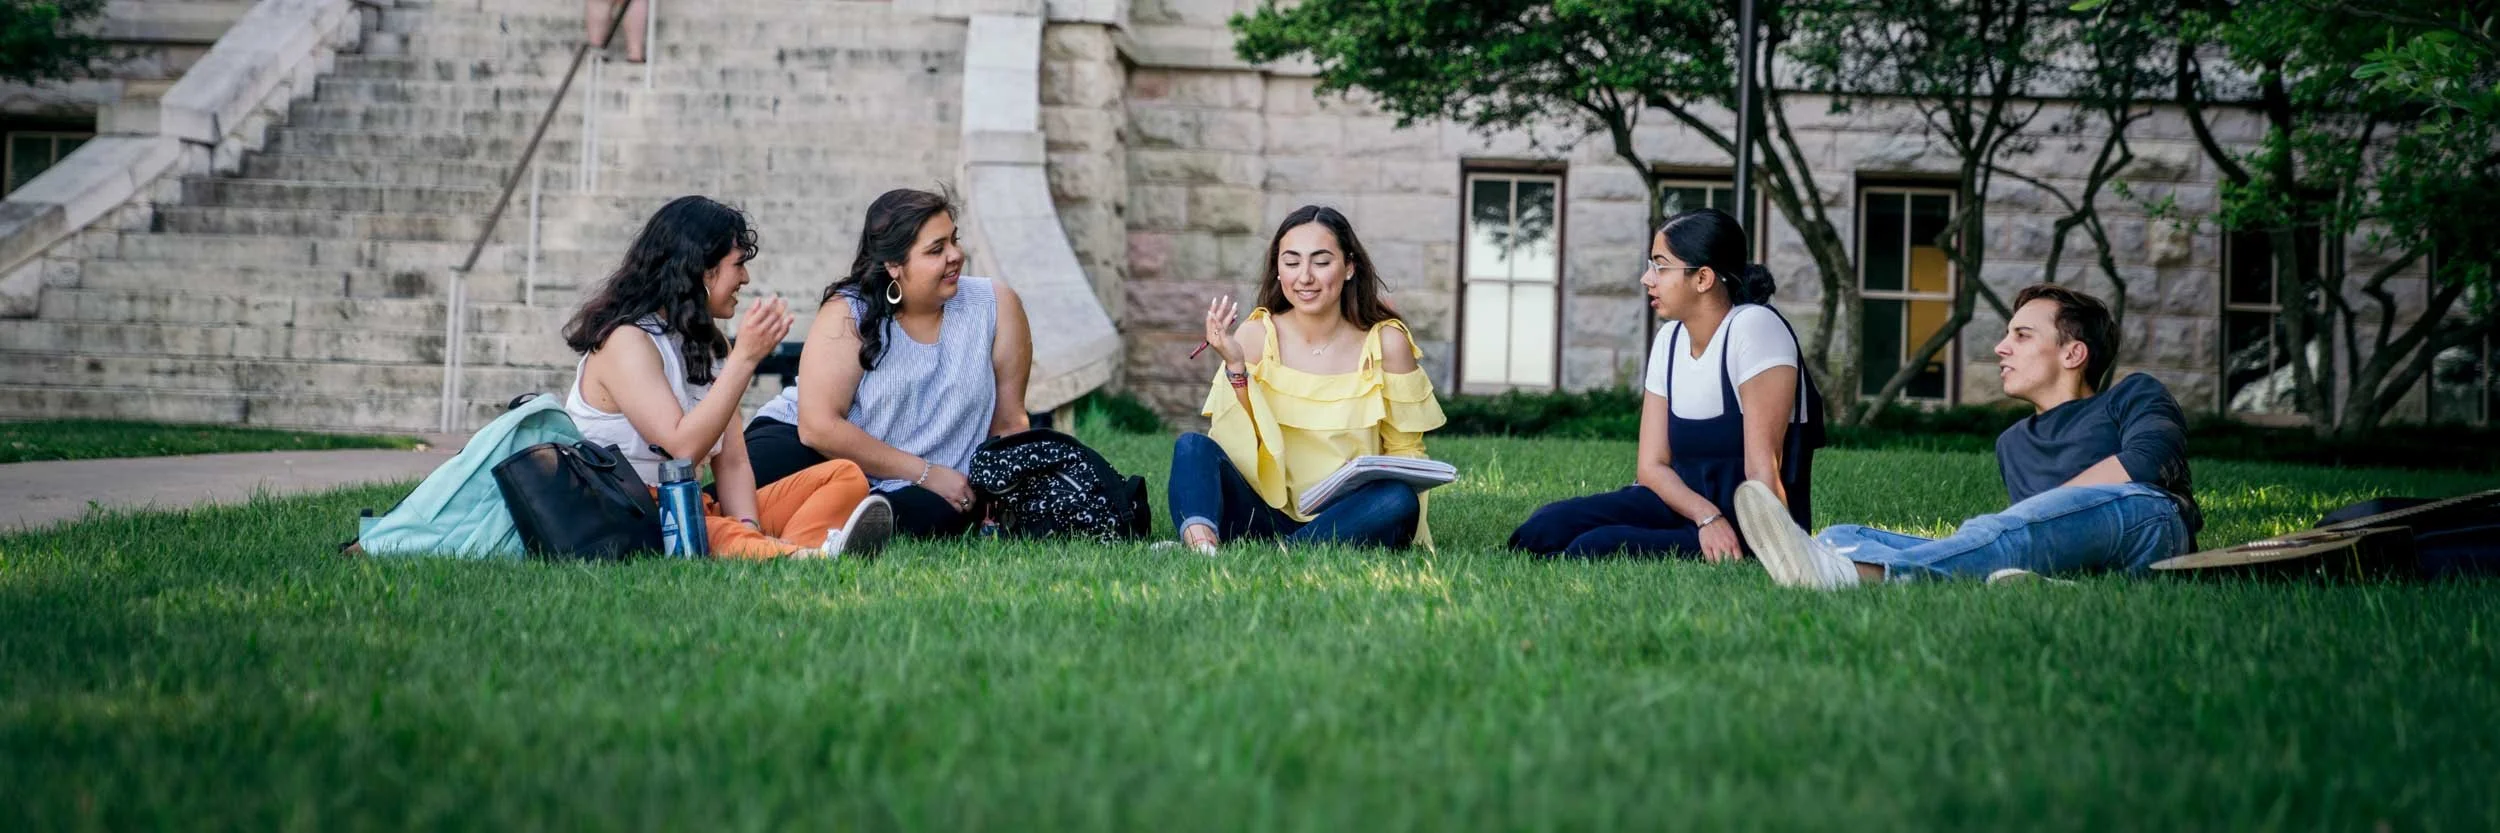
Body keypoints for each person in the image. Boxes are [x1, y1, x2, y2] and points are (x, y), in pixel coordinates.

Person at [1735, 283, 2202, 587]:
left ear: (2074, 353)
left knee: (2001, 531)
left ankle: (1860, 576)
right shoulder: (2013, 443)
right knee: (1844, 533)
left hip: (2148, 527)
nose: (2001, 348)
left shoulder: (2132, 394)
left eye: (2021, 336)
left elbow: (2148, 463)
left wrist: (2036, 517)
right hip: (2060, 551)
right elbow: (2031, 534)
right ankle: (2052, 587)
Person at [559, 195, 893, 559]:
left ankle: (773, 551)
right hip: (634, 513)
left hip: (691, 504)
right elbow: (681, 450)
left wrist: (747, 524)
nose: (745, 278)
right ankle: (798, 555)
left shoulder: (709, 344)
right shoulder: (626, 341)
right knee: (709, 531)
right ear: (702, 271)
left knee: (844, 476)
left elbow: (732, 461)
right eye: (738, 265)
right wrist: (746, 359)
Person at [1507, 208, 1820, 560]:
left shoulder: (1754, 329)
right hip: (1687, 510)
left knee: (1594, 548)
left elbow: (1762, 469)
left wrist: (1781, 554)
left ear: (1702, 278)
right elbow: (1651, 466)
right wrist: (1706, 516)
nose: (1646, 278)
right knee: (1542, 529)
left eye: (1661, 265)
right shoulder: (1669, 340)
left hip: (1746, 527)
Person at [743, 188, 1034, 538]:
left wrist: (994, 495)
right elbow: (818, 427)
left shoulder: (996, 306)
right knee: (746, 489)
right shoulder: (848, 311)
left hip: (927, 486)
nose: (956, 255)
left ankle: (824, 529)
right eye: (936, 249)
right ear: (894, 265)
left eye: (953, 241)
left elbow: (1009, 420)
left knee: (935, 517)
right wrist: (924, 471)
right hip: (819, 448)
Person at [1168, 205, 1447, 555]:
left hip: (1348, 515)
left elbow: (1406, 452)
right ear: (1278, 270)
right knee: (1192, 447)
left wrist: (1417, 535)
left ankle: (1288, 551)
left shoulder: (1387, 342)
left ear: (1349, 267)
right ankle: (1201, 548)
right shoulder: (1256, 335)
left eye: (1321, 261)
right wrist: (1236, 367)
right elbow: (1237, 447)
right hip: (1266, 511)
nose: (1305, 277)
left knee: (1397, 498)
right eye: (1292, 261)